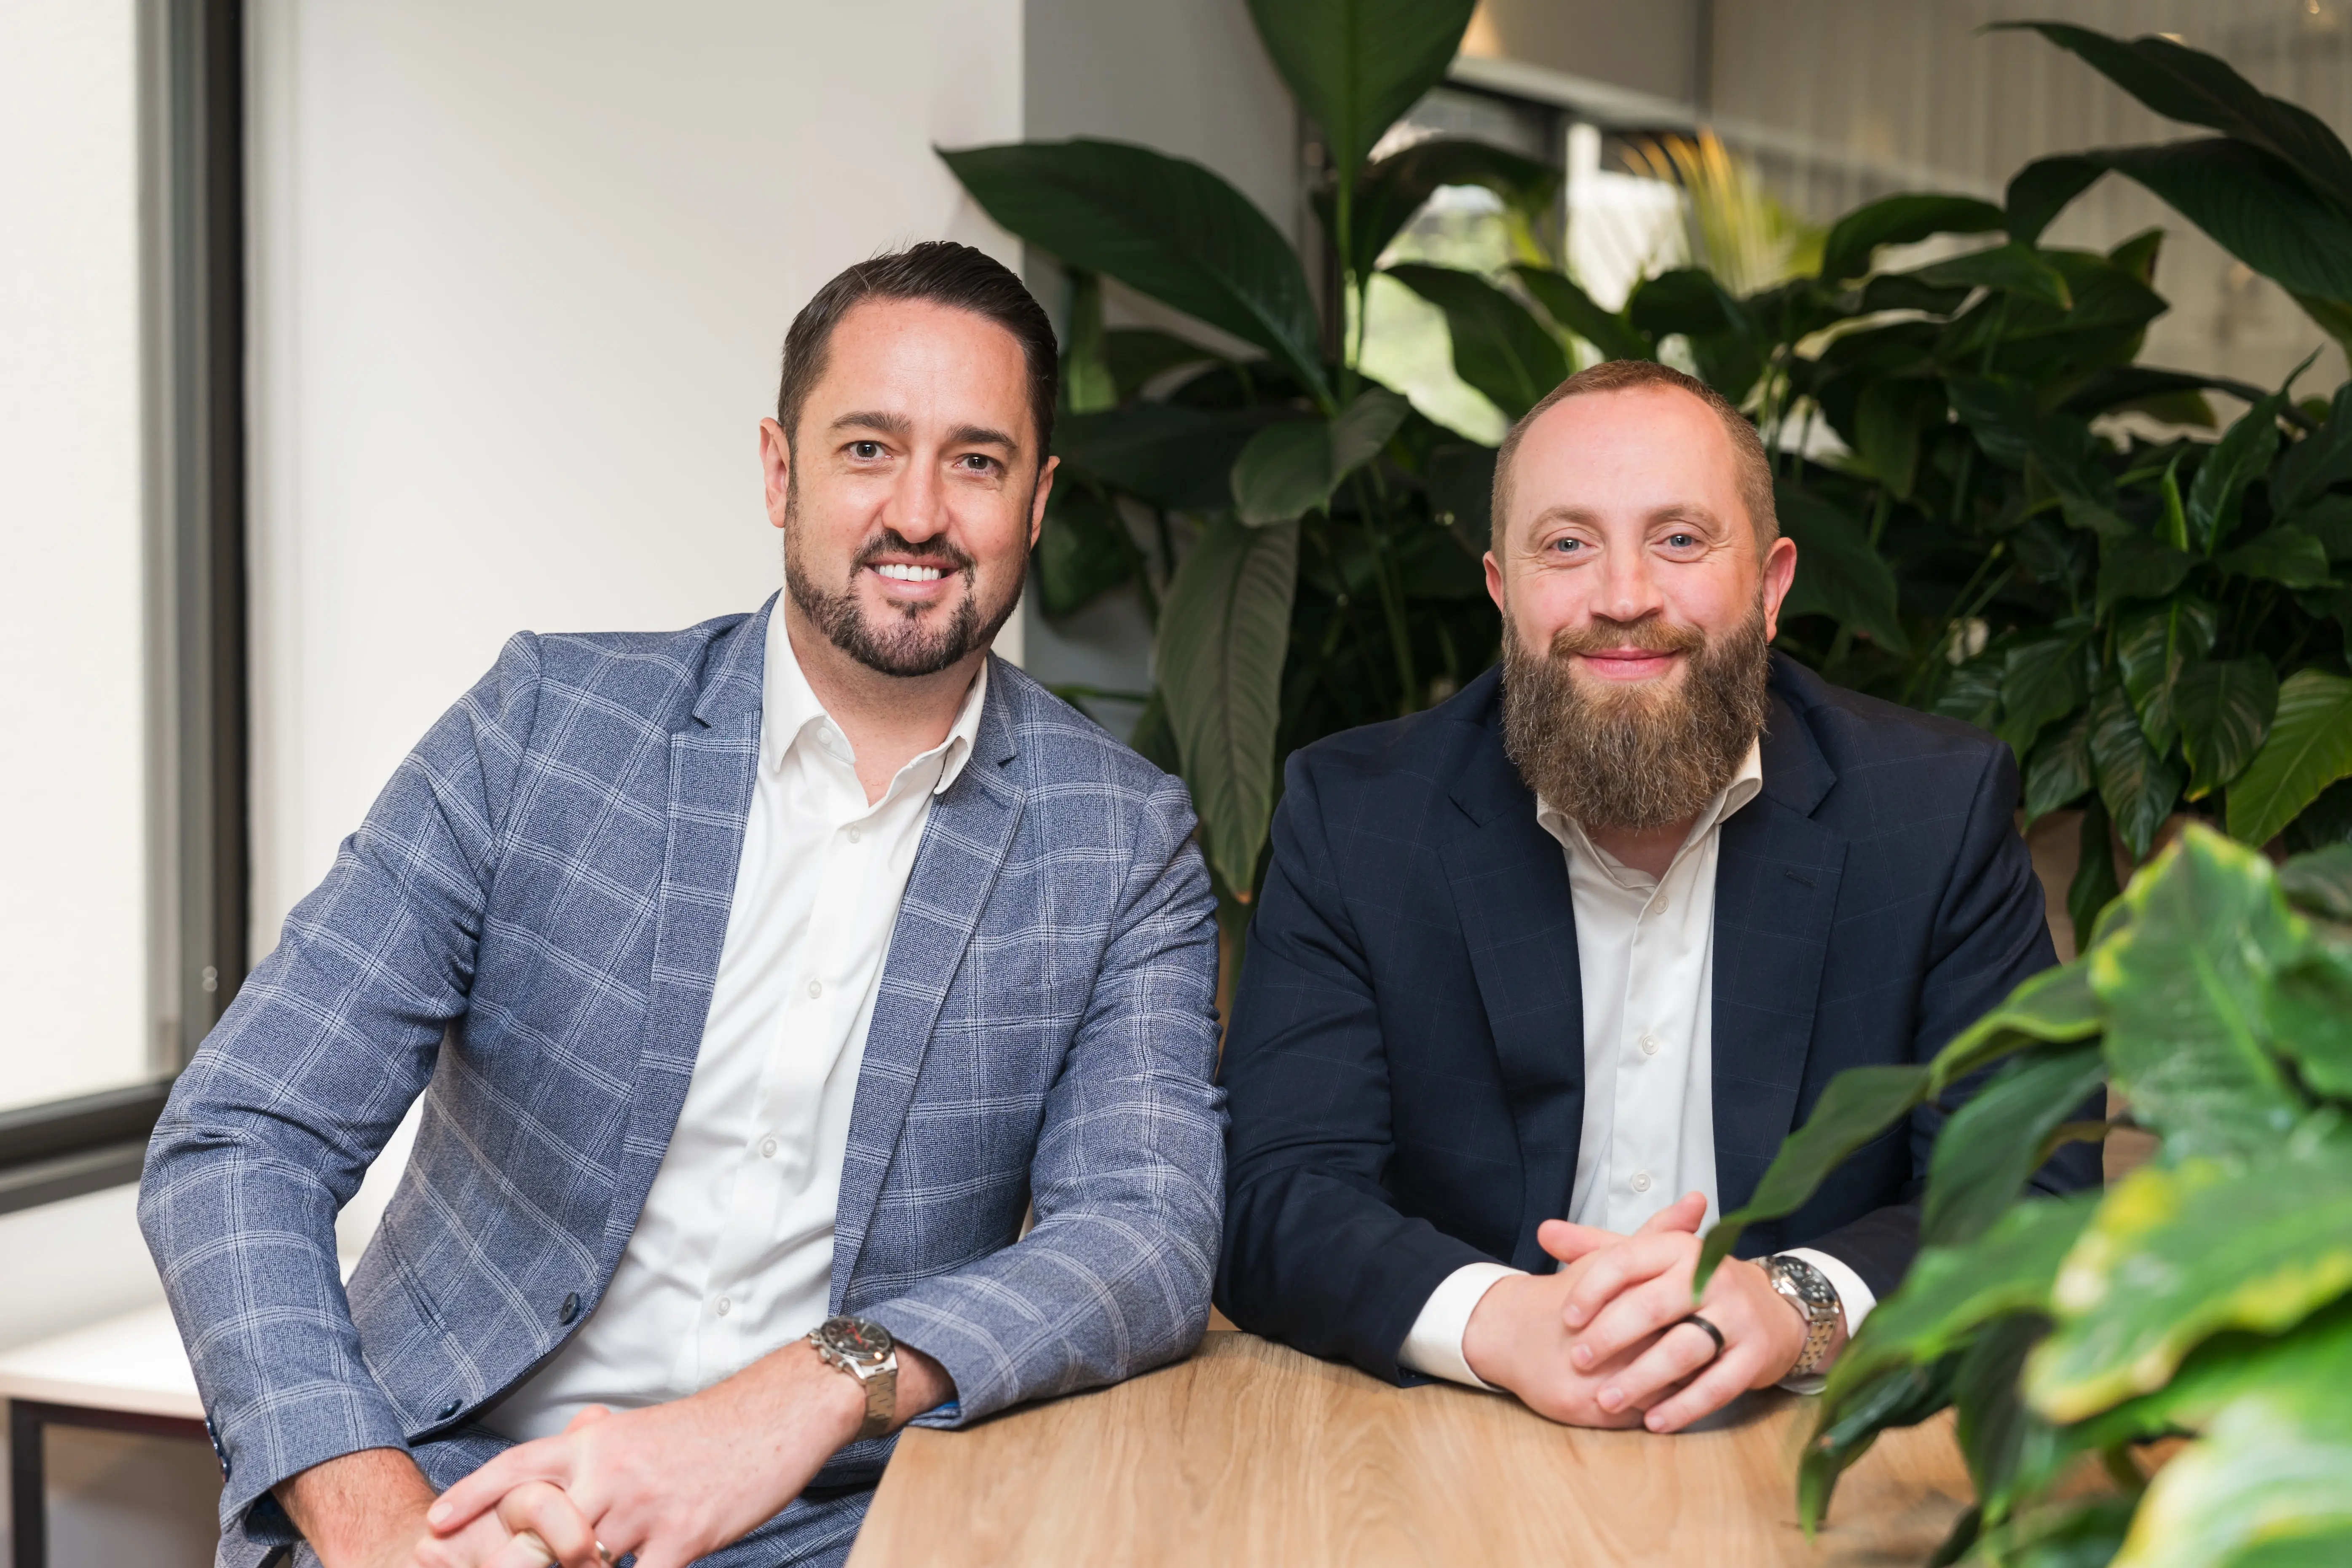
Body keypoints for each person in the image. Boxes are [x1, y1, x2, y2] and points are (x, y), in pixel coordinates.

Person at [141, 241, 1225, 1568]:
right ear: (780, 469)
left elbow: (1145, 1233)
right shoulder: (543, 725)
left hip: (821, 1515)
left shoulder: (1119, 838)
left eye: (977, 462)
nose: (921, 514)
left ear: (1039, 500)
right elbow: (243, 1134)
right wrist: (368, 1515)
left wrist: (807, 1391)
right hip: (440, 1481)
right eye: (869, 449)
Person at [1215, 358, 2099, 1431]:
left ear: (1770, 589)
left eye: (1678, 540)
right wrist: (1501, 1322)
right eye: (1566, 545)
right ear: (1503, 593)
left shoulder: (1933, 812)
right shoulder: (1356, 819)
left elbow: (2027, 1189)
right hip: (1449, 1439)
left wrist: (1791, 1304)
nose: (1623, 597)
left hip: (1811, 1437)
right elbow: (1277, 1193)